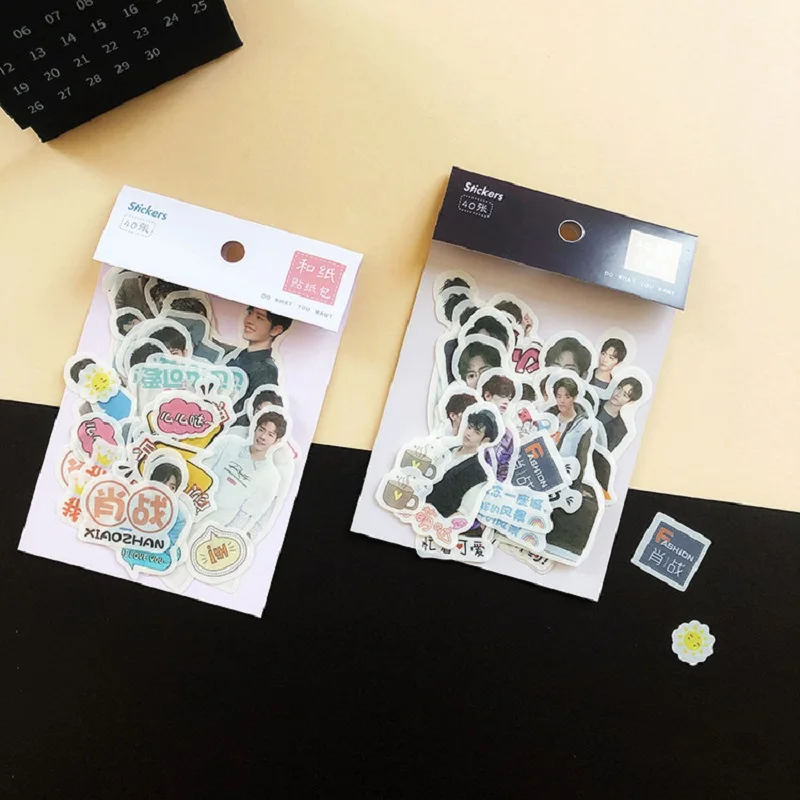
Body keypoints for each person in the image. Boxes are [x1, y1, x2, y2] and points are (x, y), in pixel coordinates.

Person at [206, 410, 285, 531]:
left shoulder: (270, 477)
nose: (263, 437)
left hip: (214, 528)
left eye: (270, 435)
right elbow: (202, 467)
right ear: (255, 429)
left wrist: (222, 535)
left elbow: (246, 515)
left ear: (277, 440)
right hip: (192, 507)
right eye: (261, 430)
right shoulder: (229, 442)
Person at [424, 409, 498, 521]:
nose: (469, 433)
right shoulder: (449, 450)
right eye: (469, 427)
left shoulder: (479, 473)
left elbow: (464, 512)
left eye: (477, 432)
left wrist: (439, 524)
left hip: (435, 520)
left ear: (485, 440)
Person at [226, 307, 293, 415]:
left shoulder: (267, 371)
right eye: (250, 313)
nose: (248, 320)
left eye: (259, 318)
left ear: (276, 330)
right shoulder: (240, 354)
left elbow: (252, 414)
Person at [546, 377, 593, 462]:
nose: (562, 401)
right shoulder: (547, 417)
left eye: (567, 397)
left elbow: (581, 460)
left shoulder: (583, 426)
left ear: (574, 398)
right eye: (559, 397)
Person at [596, 377, 643, 451]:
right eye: (619, 388)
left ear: (630, 402)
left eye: (625, 395)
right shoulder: (593, 400)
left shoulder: (620, 430)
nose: (618, 395)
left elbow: (603, 453)